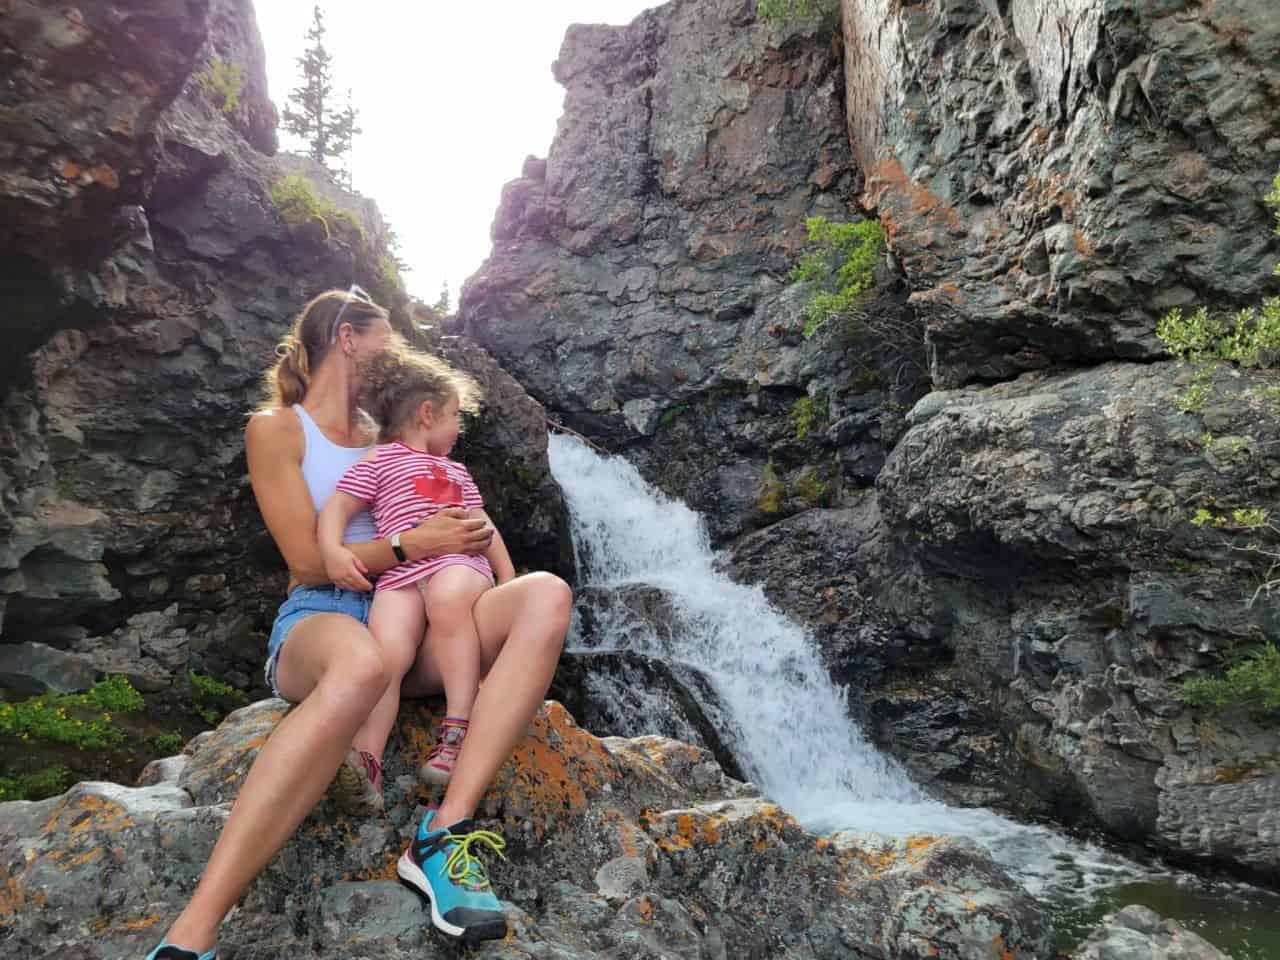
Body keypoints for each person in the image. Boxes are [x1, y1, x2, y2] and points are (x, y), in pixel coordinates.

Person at [147, 287, 571, 959]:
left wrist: (466, 555)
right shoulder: (278, 429)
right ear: (347, 337)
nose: (397, 352)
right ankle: (192, 932)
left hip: (421, 616)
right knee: (364, 665)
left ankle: (442, 833)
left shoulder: (399, 437)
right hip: (329, 617)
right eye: (385, 338)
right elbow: (308, 562)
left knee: (546, 595)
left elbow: (462, 530)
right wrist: (409, 546)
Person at [319, 346, 515, 801]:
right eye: (455, 416)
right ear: (427, 414)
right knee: (387, 651)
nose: (458, 429)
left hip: (458, 563)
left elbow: (483, 524)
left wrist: (508, 577)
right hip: (402, 573)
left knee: (448, 600)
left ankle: (458, 729)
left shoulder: (455, 469)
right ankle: (367, 760)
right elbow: (337, 509)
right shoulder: (378, 461)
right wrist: (332, 550)